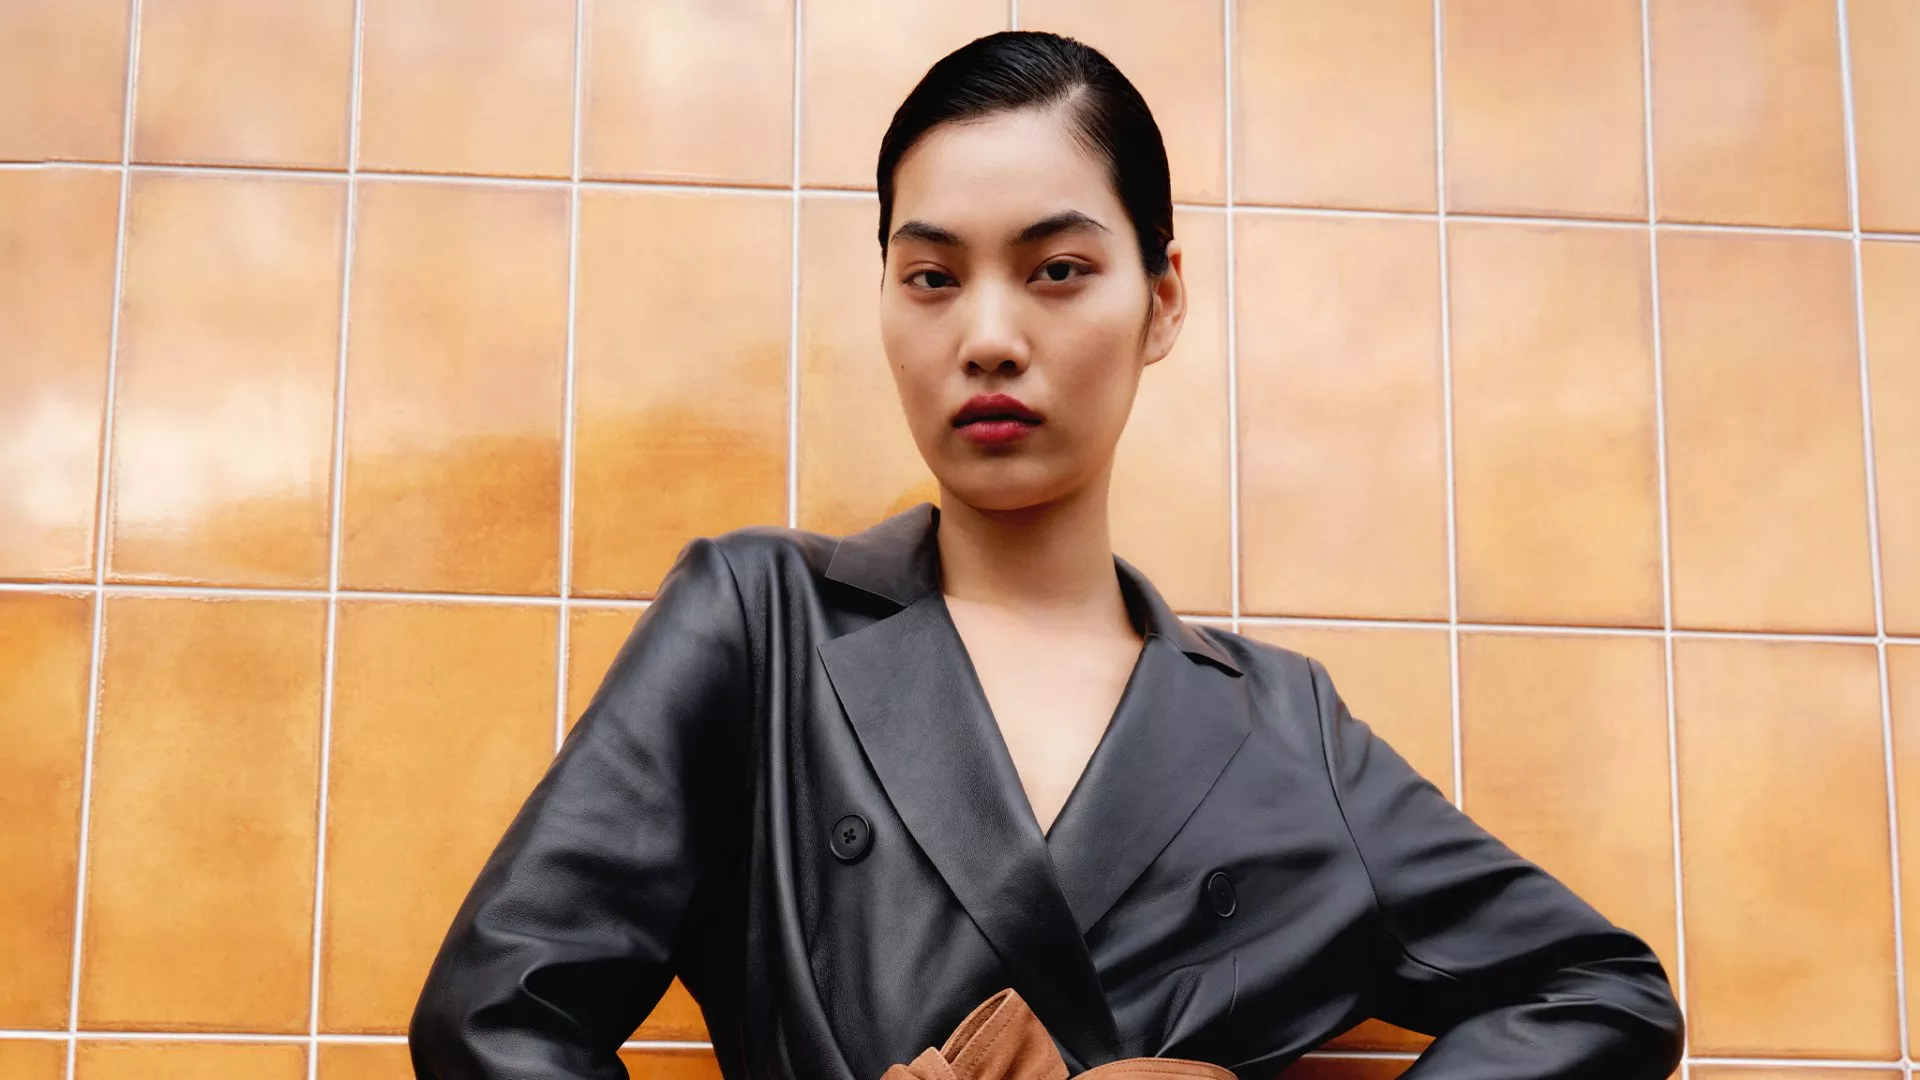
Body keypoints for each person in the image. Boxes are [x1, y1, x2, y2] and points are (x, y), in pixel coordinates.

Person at [407, 30, 1685, 1080]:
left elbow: (1607, 995)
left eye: (1059, 269)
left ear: (1162, 298)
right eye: (931, 278)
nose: (990, 336)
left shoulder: (1282, 730)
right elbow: (496, 1018)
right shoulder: (761, 622)